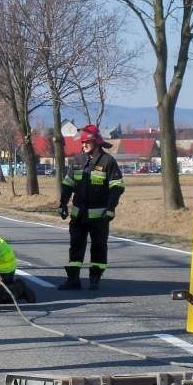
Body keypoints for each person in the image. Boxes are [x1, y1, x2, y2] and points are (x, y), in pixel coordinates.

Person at [58, 124, 124, 291]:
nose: (84, 145)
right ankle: (73, 279)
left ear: (96, 142)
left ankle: (95, 278)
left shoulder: (108, 161)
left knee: (99, 247)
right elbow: (68, 184)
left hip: (99, 216)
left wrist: (111, 208)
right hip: (78, 215)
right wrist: (63, 204)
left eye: (87, 142)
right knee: (75, 247)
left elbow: (116, 187)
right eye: (82, 142)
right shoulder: (77, 160)